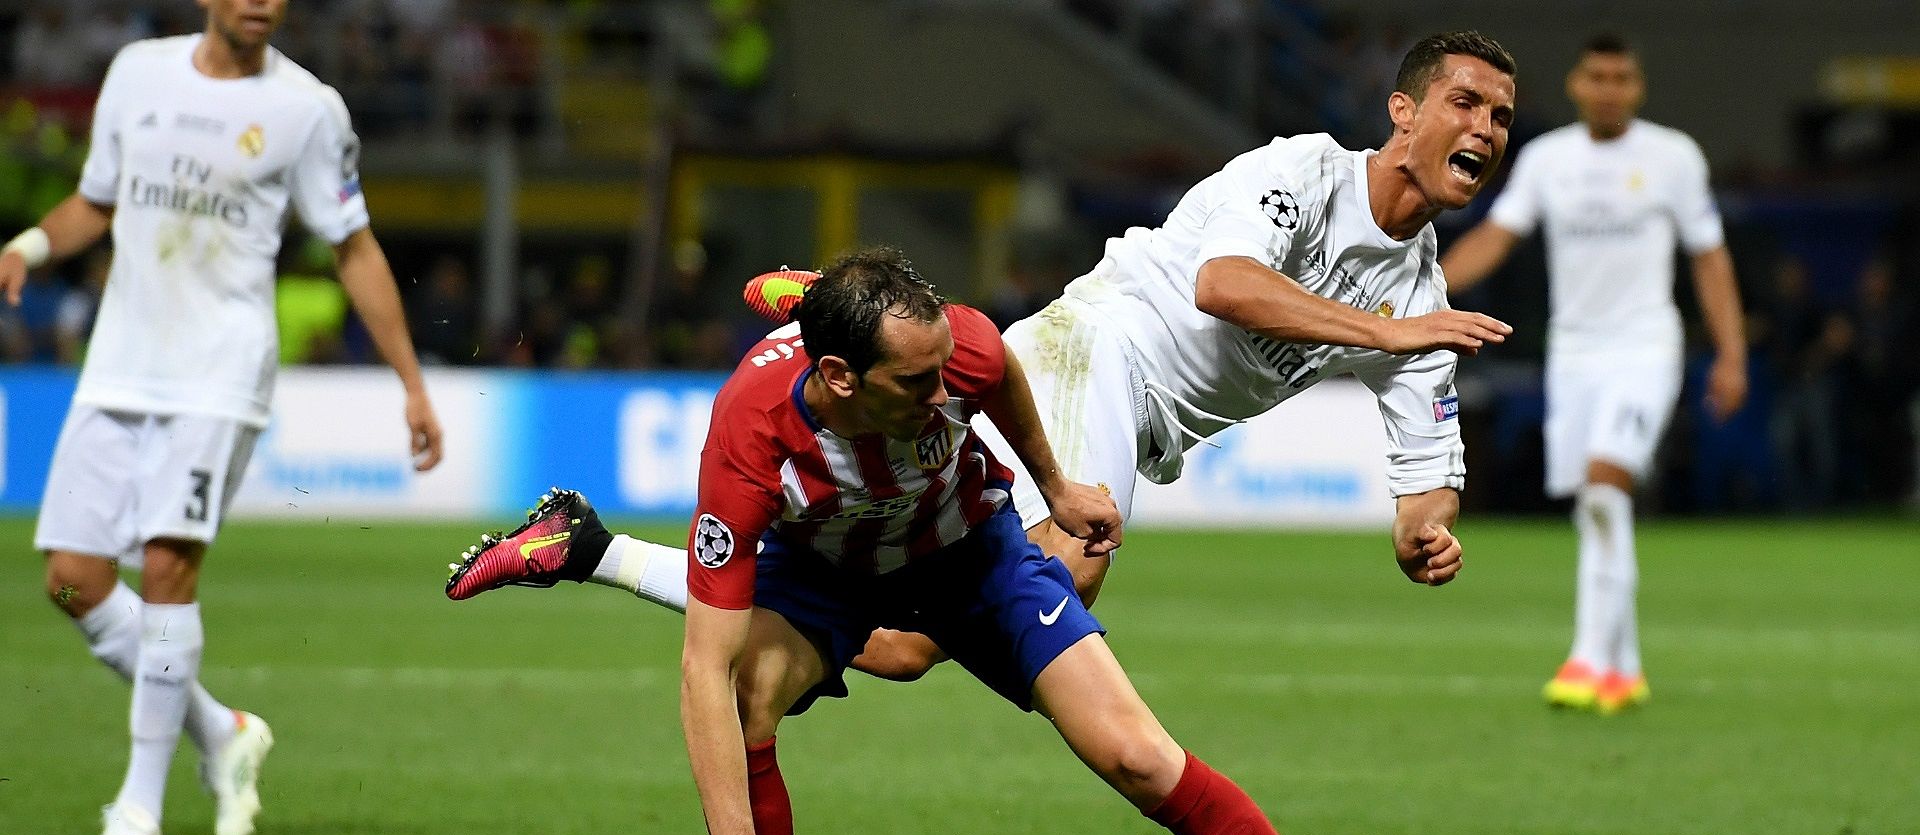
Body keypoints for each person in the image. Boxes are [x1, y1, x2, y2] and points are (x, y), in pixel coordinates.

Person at [476, 249, 1438, 835]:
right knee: (748, 695)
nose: (946, 394)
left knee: (1140, 757)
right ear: (840, 378)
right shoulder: (748, 438)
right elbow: (701, 667)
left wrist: (1055, 485)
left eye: (946, 370)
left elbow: (998, 371)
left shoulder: (956, 348)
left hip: (972, 554)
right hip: (828, 572)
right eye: (917, 383)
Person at [448, 31, 1517, 679]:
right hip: (1098, 346)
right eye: (1464, 101)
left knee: (906, 650)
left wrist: (1423, 534)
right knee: (1069, 573)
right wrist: (1387, 331)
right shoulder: (1300, 175)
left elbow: (1426, 479)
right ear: (1403, 111)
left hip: (1134, 419)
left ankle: (590, 548)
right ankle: (836, 307)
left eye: (1502, 116)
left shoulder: (1424, 306)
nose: (1485, 126)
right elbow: (1224, 286)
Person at [1, 0, 445, 835]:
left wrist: (412, 384)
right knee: (70, 579)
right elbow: (95, 201)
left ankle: (139, 805)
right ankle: (220, 730)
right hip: (120, 364)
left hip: (220, 373)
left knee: (167, 565)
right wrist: (29, 245)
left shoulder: (307, 109)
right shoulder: (138, 74)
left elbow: (353, 246)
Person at [1440, 33, 1747, 715]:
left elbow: (1709, 257)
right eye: (1597, 77)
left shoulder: (1672, 157)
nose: (1609, 90)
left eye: (1621, 78)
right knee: (1593, 506)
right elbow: (1496, 235)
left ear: (1638, 87)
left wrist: (1731, 354)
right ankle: (1625, 668)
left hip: (1645, 348)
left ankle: (1585, 657)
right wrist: (1429, 291)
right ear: (1576, 85)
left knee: (1606, 490)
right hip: (1575, 355)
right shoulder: (1548, 160)